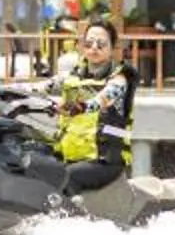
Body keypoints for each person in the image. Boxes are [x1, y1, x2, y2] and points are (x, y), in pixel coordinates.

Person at [50, 18, 136, 197]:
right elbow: (44, 85)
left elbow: (100, 100)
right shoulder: (73, 75)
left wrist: (77, 107)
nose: (94, 48)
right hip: (71, 157)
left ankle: (69, 221)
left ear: (112, 47)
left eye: (101, 44)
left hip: (106, 162)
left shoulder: (122, 78)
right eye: (89, 43)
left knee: (67, 176)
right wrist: (11, 91)